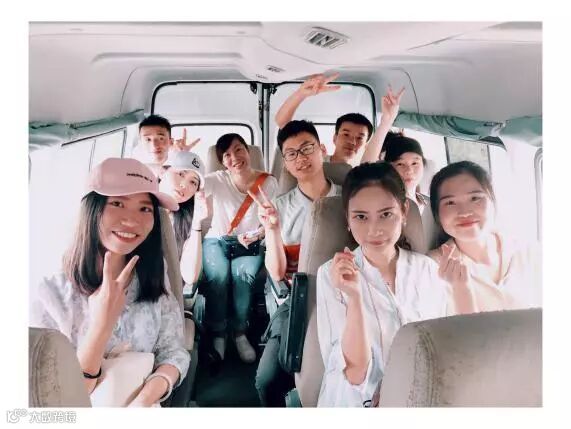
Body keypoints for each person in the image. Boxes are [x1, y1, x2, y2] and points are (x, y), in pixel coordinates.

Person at [29, 158, 190, 407]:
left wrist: (143, 401)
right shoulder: (50, 296)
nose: (132, 220)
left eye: (145, 209)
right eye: (117, 203)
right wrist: (101, 326)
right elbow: (62, 398)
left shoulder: (154, 273)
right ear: (91, 209)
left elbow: (174, 351)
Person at [315, 162, 476, 407]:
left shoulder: (428, 270)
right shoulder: (331, 274)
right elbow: (356, 374)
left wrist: (462, 289)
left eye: (386, 214)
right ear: (347, 219)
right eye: (361, 217)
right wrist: (355, 298)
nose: (374, 229)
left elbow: (457, 350)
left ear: (403, 211)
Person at [251, 120, 342, 407]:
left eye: (306, 148)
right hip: (300, 299)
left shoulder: (349, 199)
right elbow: (277, 272)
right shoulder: (279, 207)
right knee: (266, 380)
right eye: (291, 154)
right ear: (287, 164)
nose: (300, 158)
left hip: (346, 296)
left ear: (322, 150)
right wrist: (272, 229)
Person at [201, 133, 278, 363]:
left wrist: (257, 234)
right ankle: (218, 333)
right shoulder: (216, 179)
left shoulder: (269, 182)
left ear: (247, 151)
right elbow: (195, 184)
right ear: (222, 162)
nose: (234, 157)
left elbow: (273, 221)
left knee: (242, 276)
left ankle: (239, 332)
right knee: (217, 276)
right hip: (217, 239)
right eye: (226, 155)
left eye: (238, 149)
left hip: (251, 242)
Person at [427, 161, 542, 313]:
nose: (465, 212)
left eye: (475, 198)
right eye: (450, 202)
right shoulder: (430, 266)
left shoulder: (528, 251)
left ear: (493, 201)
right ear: (437, 214)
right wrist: (461, 290)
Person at [274, 73, 405, 166]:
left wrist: (387, 120)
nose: (352, 142)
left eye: (360, 138)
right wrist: (301, 94)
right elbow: (283, 124)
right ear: (334, 138)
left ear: (366, 144)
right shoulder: (316, 161)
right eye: (346, 134)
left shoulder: (362, 172)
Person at [159, 151, 210, 287]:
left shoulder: (187, 221)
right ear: (163, 172)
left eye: (193, 182)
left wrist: (197, 222)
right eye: (181, 174)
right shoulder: (139, 207)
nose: (184, 185)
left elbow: (189, 276)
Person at [136, 114, 201, 178]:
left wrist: (184, 156)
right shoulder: (135, 168)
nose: (154, 145)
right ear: (141, 143)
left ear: (170, 142)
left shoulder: (179, 166)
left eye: (161, 138)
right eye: (148, 139)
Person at [382, 133, 429, 212]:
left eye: (414, 163)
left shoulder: (428, 202)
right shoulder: (385, 203)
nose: (409, 171)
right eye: (400, 164)